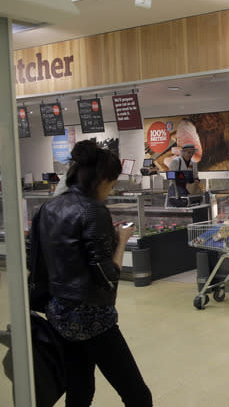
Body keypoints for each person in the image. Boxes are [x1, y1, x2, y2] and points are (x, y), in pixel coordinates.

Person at [31, 140, 153, 406]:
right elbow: (107, 276)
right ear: (100, 180)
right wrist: (121, 240)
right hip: (93, 318)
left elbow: (37, 261)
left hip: (60, 314)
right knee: (137, 395)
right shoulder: (93, 210)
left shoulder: (48, 208)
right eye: (111, 183)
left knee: (80, 390)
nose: (111, 190)